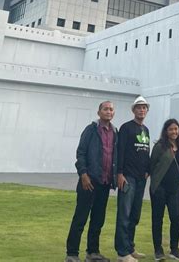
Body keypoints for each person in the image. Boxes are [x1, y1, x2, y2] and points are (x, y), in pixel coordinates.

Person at [65, 100, 117, 262]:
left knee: (98, 219)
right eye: (105, 109)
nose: (109, 112)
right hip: (89, 181)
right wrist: (83, 174)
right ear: (99, 112)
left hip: (104, 183)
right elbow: (80, 153)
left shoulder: (115, 133)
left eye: (111, 109)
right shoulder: (91, 130)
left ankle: (92, 252)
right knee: (80, 217)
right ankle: (72, 253)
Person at [115, 96, 151, 262]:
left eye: (144, 108)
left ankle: (130, 247)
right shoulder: (126, 128)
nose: (141, 110)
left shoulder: (146, 131)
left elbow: (145, 153)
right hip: (127, 177)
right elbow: (120, 151)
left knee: (134, 215)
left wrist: (147, 171)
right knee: (124, 214)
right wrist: (119, 173)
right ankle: (122, 253)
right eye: (139, 107)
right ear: (133, 110)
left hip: (140, 179)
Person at [150, 118, 179, 261]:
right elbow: (152, 166)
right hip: (160, 188)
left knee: (176, 218)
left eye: (176, 129)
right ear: (166, 131)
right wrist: (156, 186)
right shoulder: (160, 146)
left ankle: (174, 248)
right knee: (157, 219)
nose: (174, 131)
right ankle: (158, 250)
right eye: (171, 129)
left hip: (175, 189)